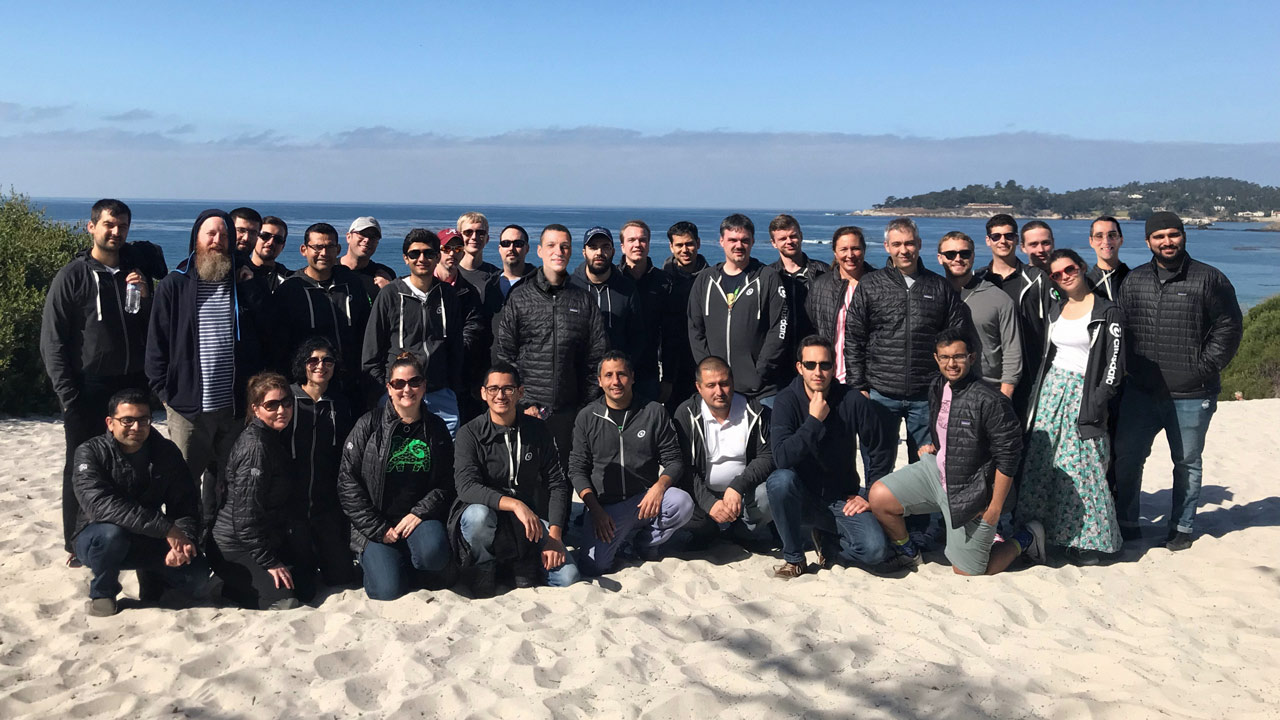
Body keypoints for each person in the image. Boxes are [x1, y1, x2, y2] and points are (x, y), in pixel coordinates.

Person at [868, 329, 1046, 576]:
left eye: (958, 356)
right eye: (945, 357)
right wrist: (937, 447)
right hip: (938, 473)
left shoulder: (991, 400)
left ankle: (1026, 538)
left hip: (973, 493)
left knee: (969, 572)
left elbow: (1008, 457)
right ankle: (909, 553)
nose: (951, 363)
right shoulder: (938, 385)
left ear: (972, 357)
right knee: (878, 496)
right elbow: (946, 426)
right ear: (936, 358)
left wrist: (995, 508)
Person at [1114, 212, 1242, 550]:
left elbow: (1229, 327)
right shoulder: (1134, 280)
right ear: (1148, 241)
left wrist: (1203, 367)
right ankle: (1127, 523)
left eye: (1173, 234)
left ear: (1184, 236)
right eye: (1159, 236)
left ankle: (1181, 527)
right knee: (1127, 458)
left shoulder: (1209, 278)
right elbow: (1121, 329)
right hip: (1140, 391)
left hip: (1192, 393)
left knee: (1186, 463)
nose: (1167, 242)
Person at [41, 198, 157, 562]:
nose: (116, 232)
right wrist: (67, 395)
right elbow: (52, 340)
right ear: (92, 227)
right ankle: (75, 540)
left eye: (122, 226)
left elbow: (153, 329)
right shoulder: (73, 275)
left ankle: (127, 531)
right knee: (82, 463)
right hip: (87, 387)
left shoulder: (135, 275)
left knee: (132, 459)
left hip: (131, 385)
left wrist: (147, 296)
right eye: (109, 224)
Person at [146, 209, 263, 539]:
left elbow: (264, 333)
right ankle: (183, 545)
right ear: (196, 237)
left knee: (228, 483)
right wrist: (167, 394)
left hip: (234, 408)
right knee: (183, 484)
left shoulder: (242, 282)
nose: (217, 240)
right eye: (210, 234)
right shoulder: (175, 284)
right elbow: (155, 345)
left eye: (224, 235)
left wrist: (252, 286)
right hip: (188, 409)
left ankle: (217, 543)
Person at [1017, 250, 1125, 565]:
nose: (1065, 276)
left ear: (1081, 267)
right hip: (1052, 392)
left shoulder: (1107, 311)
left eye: (1070, 269)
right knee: (1044, 462)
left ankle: (1089, 542)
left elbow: (1115, 364)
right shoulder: (1057, 309)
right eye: (1057, 274)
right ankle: (1043, 534)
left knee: (1084, 466)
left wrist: (1099, 399)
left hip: (1084, 393)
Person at [766, 336, 896, 578]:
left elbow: (879, 448)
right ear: (799, 367)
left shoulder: (852, 399)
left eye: (824, 365)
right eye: (810, 365)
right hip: (801, 497)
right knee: (779, 481)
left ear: (834, 367)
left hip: (842, 498)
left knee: (875, 551)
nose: (818, 372)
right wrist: (814, 421)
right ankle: (794, 558)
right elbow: (782, 458)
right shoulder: (786, 400)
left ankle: (829, 544)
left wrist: (870, 494)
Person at [847, 217, 968, 466]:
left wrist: (948, 384)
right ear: (887, 247)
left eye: (909, 243)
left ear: (919, 244)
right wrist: (858, 386)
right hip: (880, 392)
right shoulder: (870, 285)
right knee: (878, 464)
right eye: (897, 244)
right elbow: (854, 337)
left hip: (926, 395)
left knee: (927, 466)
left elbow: (955, 339)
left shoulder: (939, 287)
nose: (904, 250)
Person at [71, 388, 204, 616]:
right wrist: (166, 529)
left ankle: (154, 582)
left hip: (149, 534)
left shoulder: (166, 451)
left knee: (197, 575)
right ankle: (103, 593)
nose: (136, 427)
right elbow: (101, 505)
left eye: (143, 420)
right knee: (111, 536)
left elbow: (185, 503)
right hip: (98, 536)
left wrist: (184, 540)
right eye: (127, 420)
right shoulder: (89, 452)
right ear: (110, 423)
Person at [452, 362, 580, 595]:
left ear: (520, 392)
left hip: (526, 523)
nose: (500, 395)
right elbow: (466, 487)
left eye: (508, 389)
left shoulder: (537, 430)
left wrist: (555, 536)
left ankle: (520, 563)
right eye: (493, 389)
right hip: (489, 513)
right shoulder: (469, 433)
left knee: (568, 578)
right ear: (483, 393)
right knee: (477, 516)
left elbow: (557, 484)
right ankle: (484, 565)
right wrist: (515, 505)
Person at [338, 353, 455, 600]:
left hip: (417, 520)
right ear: (389, 388)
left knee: (434, 557)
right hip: (376, 522)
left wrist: (419, 513)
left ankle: (407, 559)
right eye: (399, 383)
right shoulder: (369, 424)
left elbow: (446, 482)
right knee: (387, 591)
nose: (407, 389)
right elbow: (347, 483)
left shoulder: (436, 427)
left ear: (424, 385)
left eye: (414, 382)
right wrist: (377, 528)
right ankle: (380, 561)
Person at [494, 224, 608, 471]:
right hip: (527, 409)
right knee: (524, 476)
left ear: (571, 251)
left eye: (564, 246)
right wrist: (523, 402)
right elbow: (505, 355)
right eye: (552, 245)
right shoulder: (520, 297)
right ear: (539, 251)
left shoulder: (584, 299)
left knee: (564, 477)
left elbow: (595, 358)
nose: (559, 251)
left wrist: (584, 406)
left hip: (569, 412)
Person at [570, 351, 693, 576]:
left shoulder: (653, 411)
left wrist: (659, 487)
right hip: (606, 508)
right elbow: (577, 469)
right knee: (595, 566)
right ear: (600, 381)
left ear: (632, 377)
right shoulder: (587, 416)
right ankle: (619, 541)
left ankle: (644, 542)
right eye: (608, 375)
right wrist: (595, 510)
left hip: (644, 499)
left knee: (682, 502)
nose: (615, 381)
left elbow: (674, 460)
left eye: (622, 374)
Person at [210, 372, 316, 610]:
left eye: (286, 402)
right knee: (286, 601)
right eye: (272, 405)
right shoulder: (256, 447)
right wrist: (269, 562)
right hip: (234, 544)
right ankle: (225, 586)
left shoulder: (272, 436)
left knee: (307, 586)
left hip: (266, 535)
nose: (281, 410)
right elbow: (245, 520)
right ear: (256, 409)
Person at [361, 228, 473, 435]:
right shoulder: (391, 294)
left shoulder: (447, 295)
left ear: (437, 257)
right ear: (406, 258)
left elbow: (455, 348)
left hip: (440, 394)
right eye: (415, 254)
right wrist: (383, 391)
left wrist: (453, 387)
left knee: (445, 451)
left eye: (429, 253)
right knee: (398, 450)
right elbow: (372, 350)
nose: (422, 259)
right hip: (398, 393)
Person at [672, 356, 775, 548]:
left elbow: (766, 456)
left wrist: (737, 486)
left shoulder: (755, 411)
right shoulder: (686, 414)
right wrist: (709, 502)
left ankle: (741, 534)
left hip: (744, 493)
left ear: (733, 383)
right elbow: (683, 466)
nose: (719, 392)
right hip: (702, 495)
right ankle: (706, 533)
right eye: (711, 385)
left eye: (724, 384)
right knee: (677, 501)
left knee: (770, 494)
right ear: (699, 387)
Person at [688, 214, 789, 406]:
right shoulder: (705, 280)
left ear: (752, 242)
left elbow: (779, 328)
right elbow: (695, 329)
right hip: (717, 389)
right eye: (732, 240)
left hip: (761, 390)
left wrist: (760, 372)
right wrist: (709, 371)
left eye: (744, 240)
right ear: (721, 241)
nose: (739, 245)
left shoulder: (768, 278)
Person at [272, 222, 372, 411]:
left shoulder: (352, 285)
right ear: (304, 250)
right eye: (317, 247)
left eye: (329, 247)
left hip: (352, 386)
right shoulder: (290, 290)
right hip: (307, 389)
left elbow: (366, 331)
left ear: (338, 249)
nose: (324, 253)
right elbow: (279, 345)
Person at [286, 338, 358, 586]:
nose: (320, 365)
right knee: (303, 585)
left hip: (326, 506)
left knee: (341, 577)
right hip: (291, 507)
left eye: (327, 360)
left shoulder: (340, 404)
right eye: (313, 360)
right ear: (303, 363)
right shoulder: (287, 400)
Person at [976, 213, 1054, 422]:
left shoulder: (1037, 279)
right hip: (987, 375)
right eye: (996, 236)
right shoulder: (978, 279)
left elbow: (1053, 324)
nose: (1003, 241)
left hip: (1029, 373)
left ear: (1017, 240)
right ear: (988, 240)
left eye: (1009, 236)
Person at [937, 231, 1021, 398]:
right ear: (940, 258)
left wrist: (1005, 395)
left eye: (964, 253)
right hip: (942, 389)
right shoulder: (934, 295)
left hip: (988, 390)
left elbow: (1012, 351)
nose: (958, 259)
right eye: (950, 254)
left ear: (973, 256)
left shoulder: (999, 299)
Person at [571, 226, 649, 390]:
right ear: (584, 252)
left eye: (605, 247)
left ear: (613, 251)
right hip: (578, 379)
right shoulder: (570, 287)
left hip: (617, 380)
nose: (599, 252)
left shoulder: (627, 288)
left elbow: (637, 335)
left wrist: (624, 367)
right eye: (593, 247)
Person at [618, 219, 678, 405]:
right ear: (622, 246)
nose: (637, 244)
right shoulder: (613, 281)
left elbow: (670, 335)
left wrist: (668, 378)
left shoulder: (664, 282)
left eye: (642, 240)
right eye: (631, 240)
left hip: (648, 374)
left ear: (649, 244)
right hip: (615, 374)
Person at [805, 226, 874, 384]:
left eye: (855, 248)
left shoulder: (879, 284)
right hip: (829, 378)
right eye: (843, 249)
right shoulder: (820, 286)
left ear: (864, 250)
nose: (850, 255)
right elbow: (810, 331)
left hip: (870, 380)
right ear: (835, 253)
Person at [661, 221, 709, 411]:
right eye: (679, 245)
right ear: (671, 247)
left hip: (704, 361)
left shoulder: (712, 279)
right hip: (671, 365)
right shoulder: (661, 281)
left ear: (698, 243)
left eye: (689, 244)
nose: (685, 250)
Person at [768, 214, 829, 357]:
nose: (789, 241)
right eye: (782, 238)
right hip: (781, 356)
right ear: (773, 243)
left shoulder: (824, 272)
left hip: (816, 354)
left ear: (801, 236)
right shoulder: (769, 276)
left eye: (793, 236)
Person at [340, 217, 397, 299]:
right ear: (348, 237)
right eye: (362, 234)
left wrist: (388, 289)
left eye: (373, 237)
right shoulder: (331, 269)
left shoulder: (385, 274)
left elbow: (397, 305)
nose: (367, 240)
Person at [1085, 216, 1130, 301]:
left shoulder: (1135, 280)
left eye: (1112, 235)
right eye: (1099, 236)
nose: (1106, 241)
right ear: (1091, 241)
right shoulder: (1085, 286)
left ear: (1121, 240)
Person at [246, 215, 291, 292]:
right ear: (254, 238)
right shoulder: (237, 273)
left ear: (283, 246)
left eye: (278, 239)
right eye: (265, 236)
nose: (271, 242)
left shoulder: (289, 281)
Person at [497, 224, 537, 298]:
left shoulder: (540, 284)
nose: (511, 248)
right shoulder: (490, 284)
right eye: (506, 243)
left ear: (527, 249)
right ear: (500, 249)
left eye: (518, 244)